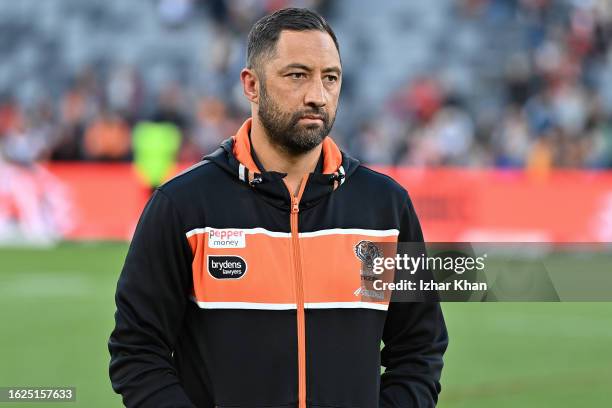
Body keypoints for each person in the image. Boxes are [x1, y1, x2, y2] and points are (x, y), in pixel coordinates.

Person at [108, 8, 448, 408]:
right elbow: (138, 353)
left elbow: (419, 349)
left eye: (330, 78)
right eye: (297, 75)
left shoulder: (384, 210)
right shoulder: (183, 208)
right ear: (251, 85)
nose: (317, 95)